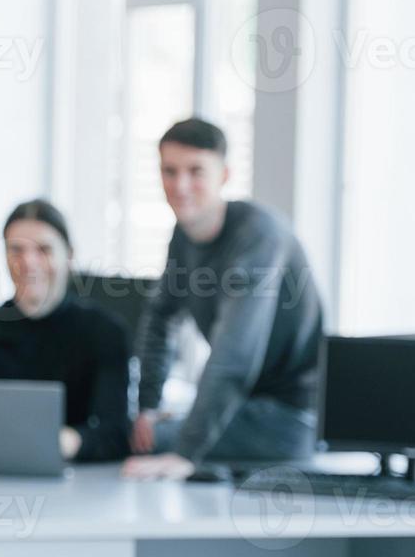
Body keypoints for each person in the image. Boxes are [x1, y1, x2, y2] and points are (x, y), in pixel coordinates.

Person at [123, 117, 324, 481]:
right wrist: (148, 407)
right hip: (241, 407)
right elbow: (160, 317)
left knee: (143, 442)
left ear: (225, 175)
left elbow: (235, 355)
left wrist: (185, 453)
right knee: (139, 432)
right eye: (169, 171)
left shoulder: (259, 236)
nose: (180, 185)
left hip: (289, 418)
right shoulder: (183, 236)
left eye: (195, 171)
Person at [0, 199, 131, 462]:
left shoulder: (104, 333)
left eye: (44, 250)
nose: (29, 262)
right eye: (16, 250)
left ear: (68, 256)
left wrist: (60, 442)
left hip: (73, 484)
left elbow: (115, 434)